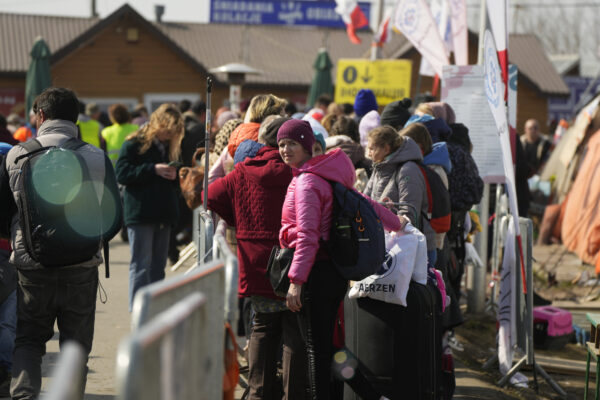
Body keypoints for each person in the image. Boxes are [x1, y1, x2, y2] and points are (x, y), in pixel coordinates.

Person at [3, 87, 121, 400]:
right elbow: (114, 218)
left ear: (40, 116)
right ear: (77, 117)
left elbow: (3, 211)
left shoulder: (17, 155)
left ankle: (24, 395)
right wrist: (90, 244)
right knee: (76, 347)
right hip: (82, 266)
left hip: (31, 266)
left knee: (28, 341)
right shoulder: (96, 156)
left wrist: (23, 241)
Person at [277, 119, 404, 398]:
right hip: (331, 271)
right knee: (328, 347)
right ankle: (371, 395)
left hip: (315, 272)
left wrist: (296, 281)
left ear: (308, 146)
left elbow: (308, 236)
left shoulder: (306, 181)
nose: (285, 149)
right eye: (281, 144)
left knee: (315, 349)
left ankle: (367, 395)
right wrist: (397, 223)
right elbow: (366, 203)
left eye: (292, 143)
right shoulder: (325, 173)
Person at [205, 116, 293, 399]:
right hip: (291, 262)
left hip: (256, 263)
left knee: (263, 328)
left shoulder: (242, 170)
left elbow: (210, 194)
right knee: (293, 331)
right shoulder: (297, 171)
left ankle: (258, 393)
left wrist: (237, 222)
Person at [115, 103, 184, 310]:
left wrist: (174, 175)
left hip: (163, 214)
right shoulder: (134, 143)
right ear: (159, 124)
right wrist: (152, 169)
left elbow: (174, 183)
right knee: (141, 265)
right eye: (168, 130)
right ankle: (138, 311)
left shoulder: (170, 147)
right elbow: (122, 173)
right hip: (141, 213)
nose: (170, 135)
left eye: (174, 132)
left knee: (158, 267)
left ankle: (154, 309)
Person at [364, 126, 436, 263]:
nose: (368, 153)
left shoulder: (408, 170)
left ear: (386, 148)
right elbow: (366, 200)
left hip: (410, 248)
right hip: (386, 245)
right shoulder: (379, 168)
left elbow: (409, 213)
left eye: (372, 148)